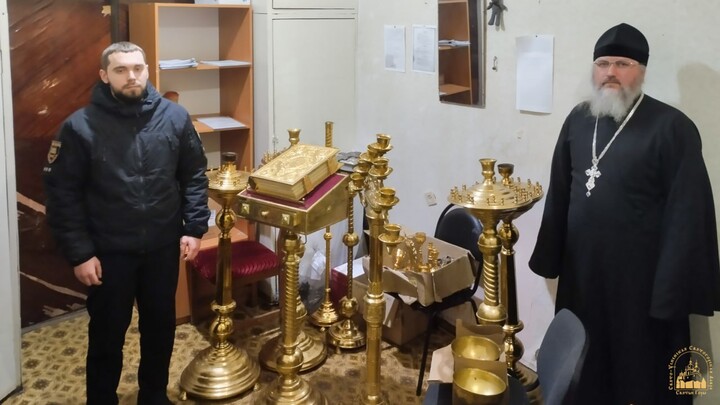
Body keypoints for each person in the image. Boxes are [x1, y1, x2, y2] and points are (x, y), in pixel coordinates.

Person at [529, 23, 720, 404]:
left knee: (642, 373)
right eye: (603, 64)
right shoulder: (578, 119)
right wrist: (551, 257)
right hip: (583, 275)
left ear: (642, 71)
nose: (610, 73)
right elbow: (560, 192)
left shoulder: (672, 128)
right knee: (584, 369)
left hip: (641, 285)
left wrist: (670, 294)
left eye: (622, 64)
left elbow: (688, 217)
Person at [43, 42, 210, 404]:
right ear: (105, 75)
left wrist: (194, 228)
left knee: (160, 328)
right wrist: (80, 253)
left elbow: (194, 175)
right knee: (107, 335)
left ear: (147, 70)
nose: (131, 76)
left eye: (137, 68)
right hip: (108, 252)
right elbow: (62, 196)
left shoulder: (175, 117)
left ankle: (154, 395)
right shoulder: (79, 127)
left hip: (162, 247)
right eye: (120, 70)